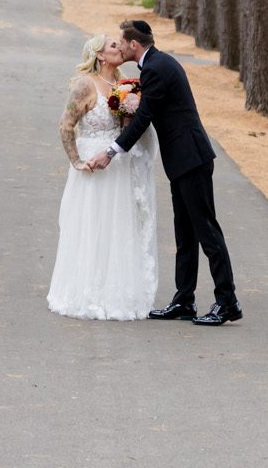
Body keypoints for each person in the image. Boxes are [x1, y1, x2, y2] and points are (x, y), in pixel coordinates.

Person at [86, 17, 242, 326]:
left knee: (206, 230)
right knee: (185, 232)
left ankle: (227, 302)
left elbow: (144, 117)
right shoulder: (155, 65)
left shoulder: (156, 68)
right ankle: (184, 300)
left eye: (121, 41)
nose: (118, 45)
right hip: (181, 159)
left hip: (191, 157)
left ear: (134, 45)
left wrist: (111, 152)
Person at [46, 33, 159, 320]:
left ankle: (115, 292)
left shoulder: (125, 85)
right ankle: (86, 292)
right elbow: (65, 125)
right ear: (99, 55)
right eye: (112, 45)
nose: (119, 47)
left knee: (117, 224)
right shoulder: (85, 84)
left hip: (117, 164)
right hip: (91, 165)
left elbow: (129, 130)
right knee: (91, 225)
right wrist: (76, 162)